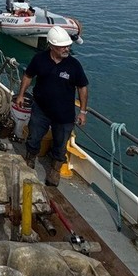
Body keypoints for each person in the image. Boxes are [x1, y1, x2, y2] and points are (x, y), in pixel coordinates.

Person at [15, 25, 89, 187]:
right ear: (51, 46)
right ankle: (30, 159)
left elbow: (82, 87)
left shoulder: (74, 65)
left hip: (64, 115)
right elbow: (28, 76)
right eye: (62, 46)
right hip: (40, 109)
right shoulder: (39, 59)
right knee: (34, 137)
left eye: (68, 45)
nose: (66, 48)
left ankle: (54, 170)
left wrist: (83, 111)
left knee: (60, 144)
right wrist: (21, 94)